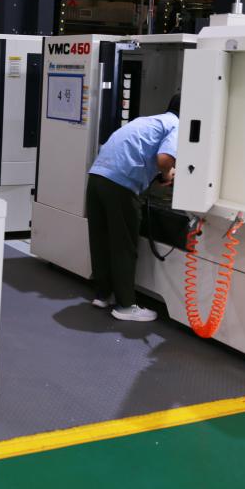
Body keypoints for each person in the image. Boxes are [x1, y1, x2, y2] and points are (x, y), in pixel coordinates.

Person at [86, 94, 180, 322]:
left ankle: (102, 294)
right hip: (120, 185)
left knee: (101, 240)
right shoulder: (177, 125)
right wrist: (168, 174)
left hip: (97, 178)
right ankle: (126, 306)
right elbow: (164, 159)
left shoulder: (148, 121)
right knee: (123, 245)